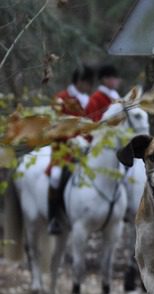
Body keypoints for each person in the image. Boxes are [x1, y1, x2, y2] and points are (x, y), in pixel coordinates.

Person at [47, 65, 95, 234]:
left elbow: (93, 125)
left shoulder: (88, 101)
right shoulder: (60, 99)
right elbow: (55, 127)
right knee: (55, 177)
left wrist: (89, 139)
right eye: (88, 83)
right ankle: (53, 218)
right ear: (80, 81)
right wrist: (73, 139)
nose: (90, 87)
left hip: (87, 151)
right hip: (63, 151)